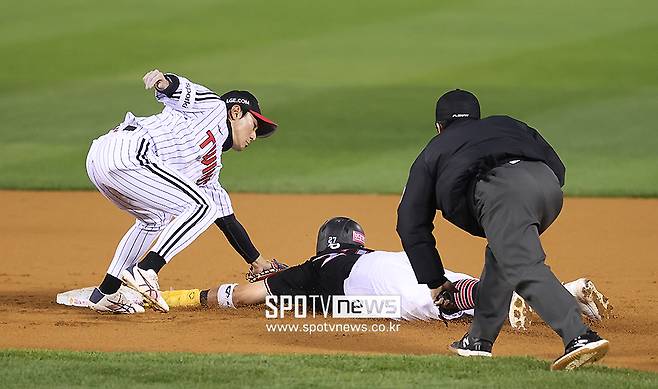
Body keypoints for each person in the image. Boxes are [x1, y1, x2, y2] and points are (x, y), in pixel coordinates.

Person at [396, 89, 609, 370]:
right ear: (477, 118)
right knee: (502, 254)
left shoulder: (433, 150)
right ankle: (478, 340)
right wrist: (533, 194)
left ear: (439, 127)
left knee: (522, 266)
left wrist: (435, 280)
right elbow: (557, 166)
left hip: (503, 193)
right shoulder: (507, 124)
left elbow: (410, 223)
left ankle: (579, 336)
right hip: (548, 189)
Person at [157, 217, 612, 330]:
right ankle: (565, 294)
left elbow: (247, 295)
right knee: (453, 289)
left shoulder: (313, 269)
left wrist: (186, 298)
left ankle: (499, 299)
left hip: (372, 287)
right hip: (401, 262)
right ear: (355, 240)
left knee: (440, 305)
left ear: (322, 246)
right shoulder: (366, 252)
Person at [85, 69, 286, 314]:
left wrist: (258, 262)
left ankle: (107, 292)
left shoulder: (210, 169)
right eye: (253, 126)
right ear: (235, 112)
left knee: (155, 219)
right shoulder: (214, 107)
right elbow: (179, 90)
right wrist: (164, 82)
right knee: (202, 207)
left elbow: (227, 221)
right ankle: (147, 270)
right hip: (127, 151)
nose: (254, 136)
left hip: (107, 163)